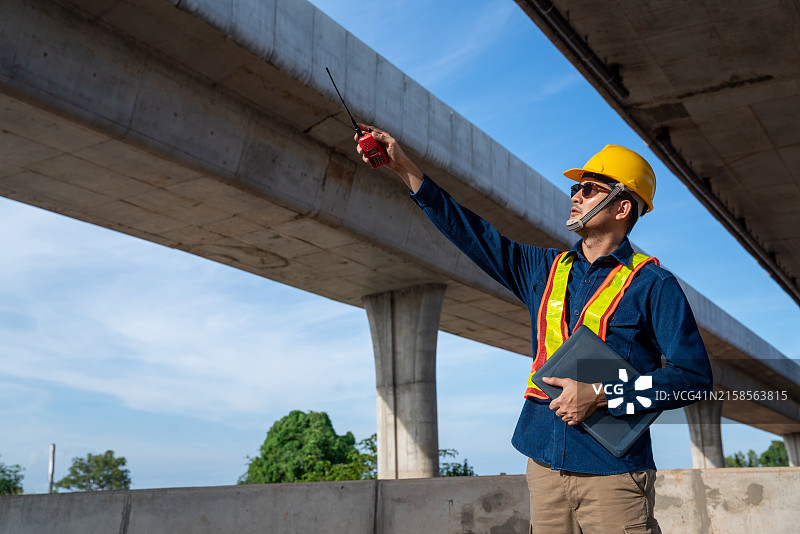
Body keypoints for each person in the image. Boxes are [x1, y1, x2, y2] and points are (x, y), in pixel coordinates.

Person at [355, 125, 713, 534]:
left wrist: (602, 394)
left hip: (612, 476)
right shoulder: (542, 269)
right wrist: (405, 168)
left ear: (622, 207)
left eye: (591, 189)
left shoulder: (654, 285)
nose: (576, 196)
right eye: (577, 189)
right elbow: (472, 232)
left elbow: (693, 379)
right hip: (542, 464)